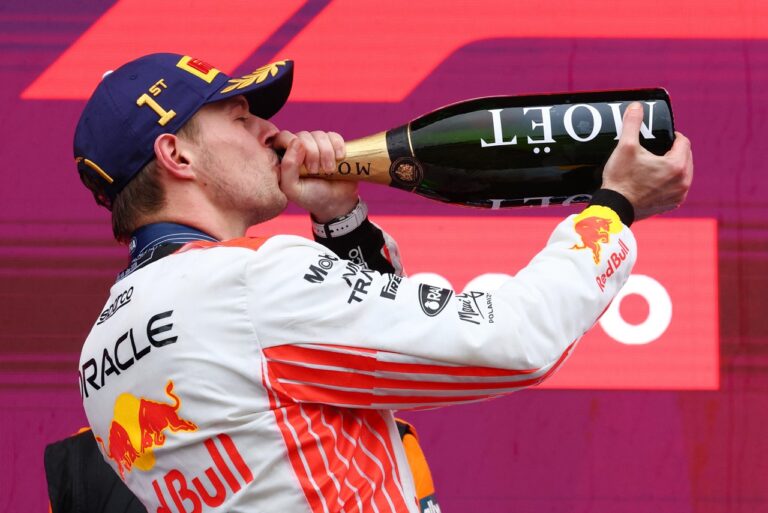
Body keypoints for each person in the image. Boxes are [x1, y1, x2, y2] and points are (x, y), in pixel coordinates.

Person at [74, 53, 692, 513]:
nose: (271, 132)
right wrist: (615, 209)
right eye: (239, 118)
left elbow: (352, 390)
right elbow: (511, 342)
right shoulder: (249, 280)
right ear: (176, 157)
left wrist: (340, 221)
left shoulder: (99, 352)